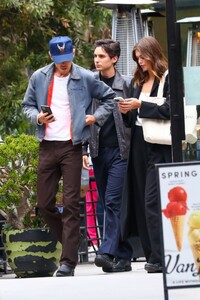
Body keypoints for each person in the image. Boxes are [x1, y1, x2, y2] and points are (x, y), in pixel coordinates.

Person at [21, 36, 116, 277]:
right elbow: (27, 106)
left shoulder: (85, 77)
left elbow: (109, 98)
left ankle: (68, 262)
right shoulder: (39, 77)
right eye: (59, 59)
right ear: (51, 56)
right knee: (44, 204)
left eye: (67, 59)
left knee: (72, 204)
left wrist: (94, 117)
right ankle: (70, 237)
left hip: (73, 146)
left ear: (73, 54)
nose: (63, 64)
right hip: (47, 146)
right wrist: (38, 118)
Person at [118, 36, 172, 273]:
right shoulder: (138, 81)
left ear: (154, 53)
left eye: (143, 57)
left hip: (160, 144)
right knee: (142, 199)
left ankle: (161, 256)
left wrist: (141, 106)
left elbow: (171, 109)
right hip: (139, 143)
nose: (140, 62)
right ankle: (152, 255)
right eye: (137, 58)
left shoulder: (167, 78)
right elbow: (132, 122)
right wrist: (125, 111)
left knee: (153, 200)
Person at [83, 39, 133, 273]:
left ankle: (105, 252)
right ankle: (122, 255)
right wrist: (84, 149)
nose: (96, 60)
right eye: (95, 56)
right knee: (107, 203)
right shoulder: (89, 84)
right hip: (98, 152)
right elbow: (81, 118)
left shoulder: (127, 84)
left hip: (121, 152)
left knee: (113, 201)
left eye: (101, 56)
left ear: (114, 59)